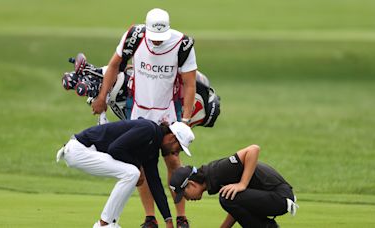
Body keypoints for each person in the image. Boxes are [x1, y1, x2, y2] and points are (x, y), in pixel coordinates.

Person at [91, 8, 197, 227]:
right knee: (139, 164)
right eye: (154, 38)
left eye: (161, 38)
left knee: (172, 160)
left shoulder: (182, 44)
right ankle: (150, 217)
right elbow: (113, 66)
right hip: (138, 110)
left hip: (168, 111)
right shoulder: (135, 36)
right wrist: (102, 97)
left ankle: (181, 217)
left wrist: (185, 121)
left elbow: (189, 84)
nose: (157, 42)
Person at [56, 119, 195, 228]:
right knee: (132, 173)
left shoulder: (152, 147)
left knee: (132, 173)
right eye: (179, 148)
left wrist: (168, 219)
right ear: (172, 137)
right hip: (79, 150)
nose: (176, 152)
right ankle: (104, 224)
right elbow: (115, 149)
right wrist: (138, 167)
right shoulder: (148, 130)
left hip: (86, 151)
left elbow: (155, 183)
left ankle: (110, 223)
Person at [169, 145, 298, 228]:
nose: (187, 199)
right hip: (275, 197)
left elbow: (253, 149)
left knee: (226, 197)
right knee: (228, 197)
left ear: (191, 184)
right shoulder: (212, 179)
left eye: (184, 194)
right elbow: (238, 207)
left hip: (280, 197)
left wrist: (243, 184)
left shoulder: (217, 171)